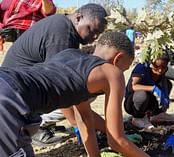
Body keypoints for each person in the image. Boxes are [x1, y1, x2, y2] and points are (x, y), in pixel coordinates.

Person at [0, 31, 149, 157]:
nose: (122, 72)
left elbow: (84, 118)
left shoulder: (71, 56)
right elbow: (116, 140)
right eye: (125, 68)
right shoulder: (112, 73)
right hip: (11, 98)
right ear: (118, 59)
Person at [1, 3, 107, 146]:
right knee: (79, 93)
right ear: (78, 17)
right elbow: (62, 88)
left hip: (16, 86)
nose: (94, 37)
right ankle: (34, 125)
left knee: (85, 93)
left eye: (98, 34)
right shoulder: (61, 35)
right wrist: (87, 129)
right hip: (14, 94)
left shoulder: (63, 26)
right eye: (91, 30)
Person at [124, 49, 174, 130]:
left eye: (163, 67)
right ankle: (138, 118)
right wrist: (152, 88)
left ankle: (157, 114)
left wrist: (165, 97)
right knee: (142, 94)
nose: (159, 71)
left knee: (168, 83)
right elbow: (132, 87)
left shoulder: (163, 72)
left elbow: (164, 85)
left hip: (149, 102)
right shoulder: (142, 67)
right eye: (156, 67)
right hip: (133, 103)